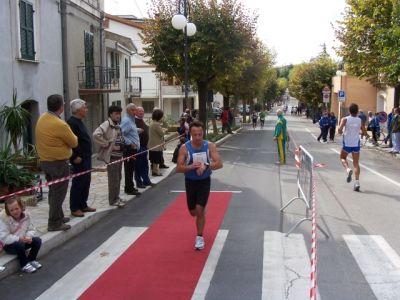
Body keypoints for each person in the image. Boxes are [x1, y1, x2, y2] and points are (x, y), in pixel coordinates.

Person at [176, 121, 223, 250]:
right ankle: (200, 212)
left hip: (204, 181)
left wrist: (206, 165)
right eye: (195, 134)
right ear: (190, 134)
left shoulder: (210, 146)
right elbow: (178, 168)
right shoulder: (184, 148)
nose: (197, 137)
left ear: (203, 133)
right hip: (190, 181)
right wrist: (191, 166)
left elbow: (219, 163)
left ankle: (199, 237)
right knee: (193, 212)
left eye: (200, 134)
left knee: (199, 209)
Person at [35, 94, 77, 231]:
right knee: (59, 192)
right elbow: (74, 141)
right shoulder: (60, 124)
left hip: (45, 161)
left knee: (53, 190)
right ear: (61, 107)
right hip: (58, 163)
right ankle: (54, 222)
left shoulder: (42, 118)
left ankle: (58, 216)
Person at [67, 99, 96, 218]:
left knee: (86, 181)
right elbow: (70, 141)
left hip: (86, 157)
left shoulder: (79, 121)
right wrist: (75, 156)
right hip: (79, 158)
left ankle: (83, 204)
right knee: (78, 182)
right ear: (78, 110)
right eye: (84, 107)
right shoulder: (72, 123)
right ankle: (75, 207)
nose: (86, 110)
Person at [93, 105, 126, 208]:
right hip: (112, 156)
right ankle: (113, 200)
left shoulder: (117, 125)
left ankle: (116, 197)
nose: (118, 116)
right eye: (116, 113)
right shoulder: (107, 124)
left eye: (119, 113)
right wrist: (106, 143)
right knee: (113, 179)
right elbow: (96, 135)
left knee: (118, 178)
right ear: (111, 114)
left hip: (119, 155)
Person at [0, 197, 42, 273]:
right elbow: (4, 238)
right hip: (10, 245)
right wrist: (19, 238)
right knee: (19, 244)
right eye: (11, 210)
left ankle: (31, 259)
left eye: (16, 208)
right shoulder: (4, 219)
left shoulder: (27, 215)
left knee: (37, 241)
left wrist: (28, 236)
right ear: (8, 211)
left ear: (21, 207)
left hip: (23, 240)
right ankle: (24, 264)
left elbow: (31, 229)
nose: (15, 212)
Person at [338, 103, 369, 192]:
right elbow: (364, 132)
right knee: (356, 163)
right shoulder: (360, 120)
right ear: (357, 111)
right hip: (356, 144)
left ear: (349, 111)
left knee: (342, 157)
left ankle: (348, 169)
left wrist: (340, 131)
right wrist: (364, 134)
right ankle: (357, 182)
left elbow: (339, 130)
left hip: (347, 143)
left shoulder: (345, 119)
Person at [120, 104, 141, 196]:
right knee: (129, 169)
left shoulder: (131, 120)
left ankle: (130, 186)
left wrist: (136, 130)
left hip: (133, 149)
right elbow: (121, 134)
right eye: (134, 110)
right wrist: (130, 143)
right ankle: (129, 188)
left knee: (131, 168)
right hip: (129, 149)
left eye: (136, 110)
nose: (136, 112)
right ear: (129, 111)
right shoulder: (127, 121)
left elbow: (129, 130)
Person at [134, 106, 153, 188]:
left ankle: (146, 181)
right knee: (138, 165)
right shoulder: (134, 121)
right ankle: (139, 182)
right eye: (139, 111)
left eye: (142, 111)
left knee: (145, 164)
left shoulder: (142, 121)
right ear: (136, 112)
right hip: (138, 147)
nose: (141, 113)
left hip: (144, 146)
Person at [148, 109, 165, 176]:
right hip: (156, 145)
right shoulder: (156, 124)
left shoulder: (152, 123)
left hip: (152, 144)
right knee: (156, 160)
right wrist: (163, 130)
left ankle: (154, 171)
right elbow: (161, 134)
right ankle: (155, 171)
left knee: (154, 159)